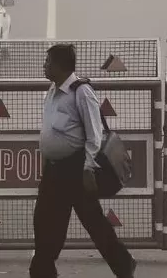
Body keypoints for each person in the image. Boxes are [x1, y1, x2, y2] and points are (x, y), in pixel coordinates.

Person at [31, 43, 136, 278]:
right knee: (44, 222)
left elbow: (95, 134)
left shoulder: (81, 92)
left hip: (76, 170)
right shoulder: (52, 90)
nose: (44, 66)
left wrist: (88, 168)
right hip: (54, 171)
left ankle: (124, 266)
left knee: (94, 224)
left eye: (48, 62)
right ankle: (43, 271)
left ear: (61, 66)